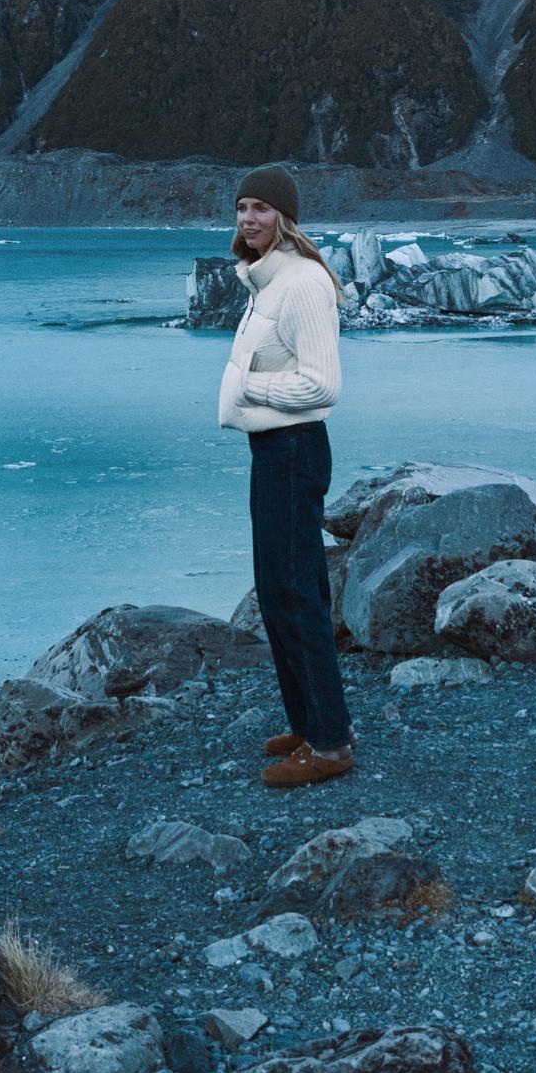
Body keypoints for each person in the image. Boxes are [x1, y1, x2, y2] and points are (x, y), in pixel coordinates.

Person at [219, 164, 354, 788]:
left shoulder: (301, 284)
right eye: (243, 207)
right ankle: (306, 722)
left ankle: (330, 743)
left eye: (262, 209)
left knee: (296, 593)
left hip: (295, 448)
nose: (249, 218)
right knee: (278, 589)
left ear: (285, 218)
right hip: (272, 450)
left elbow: (323, 383)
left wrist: (245, 384)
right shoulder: (265, 282)